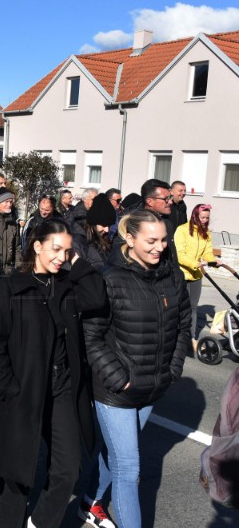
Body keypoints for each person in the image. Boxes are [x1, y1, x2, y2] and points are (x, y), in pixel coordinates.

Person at [0, 219, 105, 528]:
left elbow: (97, 297)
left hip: (62, 388)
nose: (61, 257)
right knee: (16, 476)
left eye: (67, 250)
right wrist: (9, 389)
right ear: (36, 246)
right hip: (23, 390)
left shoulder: (67, 283)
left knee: (68, 469)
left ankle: (39, 523)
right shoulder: (11, 286)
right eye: (55, 249)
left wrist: (74, 260)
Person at [82, 210, 190, 528]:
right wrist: (119, 379)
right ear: (130, 239)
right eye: (151, 241)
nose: (159, 247)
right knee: (129, 469)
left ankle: (89, 502)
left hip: (153, 386)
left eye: (164, 240)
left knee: (114, 452)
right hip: (116, 391)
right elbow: (91, 336)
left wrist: (173, 368)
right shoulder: (108, 278)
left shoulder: (173, 276)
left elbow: (184, 324)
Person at [175, 203, 221, 349]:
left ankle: (192, 338)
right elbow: (180, 254)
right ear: (195, 215)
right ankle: (176, 336)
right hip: (182, 273)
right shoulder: (182, 230)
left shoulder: (206, 232)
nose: (205, 220)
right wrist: (196, 263)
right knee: (180, 307)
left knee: (193, 307)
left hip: (196, 275)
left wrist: (213, 261)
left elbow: (207, 252)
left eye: (207, 218)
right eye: (202, 217)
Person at [72, 193, 116, 269]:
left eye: (109, 225)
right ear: (93, 223)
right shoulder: (78, 243)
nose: (107, 230)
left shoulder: (105, 240)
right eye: (104, 225)